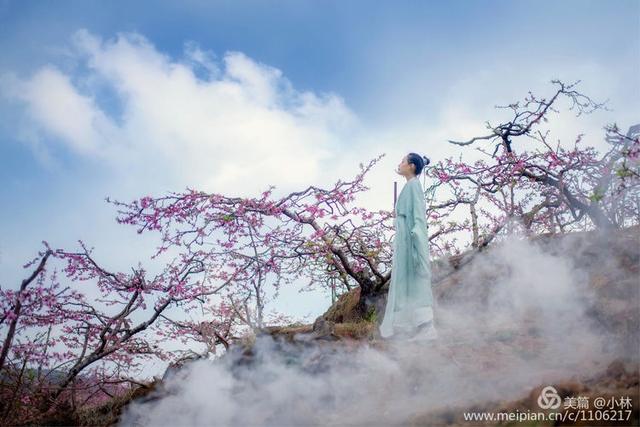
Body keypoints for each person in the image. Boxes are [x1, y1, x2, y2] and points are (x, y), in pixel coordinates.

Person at [379, 153, 437, 341]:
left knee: (416, 280)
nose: (399, 163)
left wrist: (417, 242)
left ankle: (426, 328)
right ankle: (412, 327)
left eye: (402, 161)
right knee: (406, 283)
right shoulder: (409, 186)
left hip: (411, 241)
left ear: (412, 166)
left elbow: (419, 217)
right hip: (404, 242)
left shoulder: (414, 186)